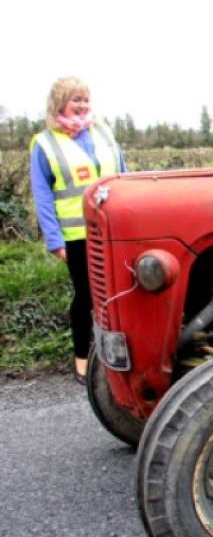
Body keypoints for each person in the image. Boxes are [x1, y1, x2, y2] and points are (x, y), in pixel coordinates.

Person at [29, 77, 126, 384]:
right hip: (77, 236)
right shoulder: (44, 143)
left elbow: (123, 176)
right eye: (76, 100)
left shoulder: (103, 131)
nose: (83, 105)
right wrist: (53, 239)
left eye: (85, 99)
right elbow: (42, 195)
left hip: (114, 231)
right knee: (86, 296)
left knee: (119, 295)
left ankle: (116, 355)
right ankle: (82, 358)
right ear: (60, 103)